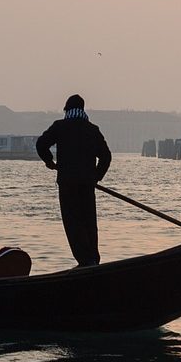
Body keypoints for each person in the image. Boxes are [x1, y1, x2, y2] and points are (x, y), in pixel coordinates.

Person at [36, 93, 112, 266]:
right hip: (87, 184)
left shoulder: (60, 127)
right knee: (88, 222)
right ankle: (93, 259)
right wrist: (96, 177)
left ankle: (85, 261)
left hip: (67, 183)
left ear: (67, 109)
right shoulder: (92, 130)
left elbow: (41, 144)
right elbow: (106, 157)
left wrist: (50, 162)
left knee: (72, 222)